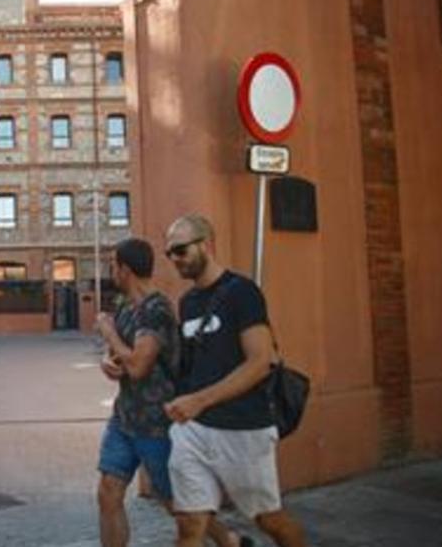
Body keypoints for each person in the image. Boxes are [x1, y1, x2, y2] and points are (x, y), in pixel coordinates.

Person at [162, 214, 307, 547]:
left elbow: (260, 362)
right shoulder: (187, 302)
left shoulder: (242, 292)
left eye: (180, 250)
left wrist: (199, 400)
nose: (174, 259)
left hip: (244, 427)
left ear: (207, 245)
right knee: (189, 525)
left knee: (270, 521)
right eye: (169, 253)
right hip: (194, 430)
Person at [96, 238, 248, 547]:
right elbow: (123, 357)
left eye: (113, 264)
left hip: (157, 423)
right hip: (124, 419)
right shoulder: (125, 307)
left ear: (125, 269)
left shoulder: (157, 309)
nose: (111, 270)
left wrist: (109, 332)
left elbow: (138, 365)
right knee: (108, 492)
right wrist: (108, 361)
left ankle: (227, 540)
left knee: (176, 505)